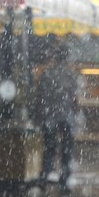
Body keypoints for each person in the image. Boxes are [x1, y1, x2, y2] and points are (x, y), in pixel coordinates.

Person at [37, 41, 77, 188]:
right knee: (66, 149)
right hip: (66, 116)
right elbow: (74, 99)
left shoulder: (46, 74)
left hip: (50, 116)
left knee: (49, 147)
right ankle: (65, 178)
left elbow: (40, 97)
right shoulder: (70, 75)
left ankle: (44, 175)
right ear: (67, 58)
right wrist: (74, 111)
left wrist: (40, 115)